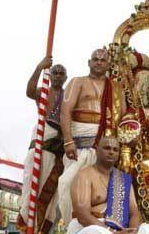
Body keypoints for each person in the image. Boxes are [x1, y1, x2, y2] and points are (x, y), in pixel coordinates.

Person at [58, 48, 117, 227]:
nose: (99, 62)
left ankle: (99, 228)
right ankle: (72, 227)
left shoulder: (115, 88)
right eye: (95, 59)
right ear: (89, 62)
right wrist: (68, 141)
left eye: (103, 60)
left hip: (104, 148)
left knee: (100, 192)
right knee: (68, 184)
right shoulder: (78, 82)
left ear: (108, 64)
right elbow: (65, 111)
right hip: (79, 147)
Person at [68, 137, 149, 234]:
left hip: (121, 228)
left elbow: (134, 213)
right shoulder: (84, 175)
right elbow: (82, 216)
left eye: (115, 149)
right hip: (91, 226)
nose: (111, 152)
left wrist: (132, 231)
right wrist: (112, 231)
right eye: (107, 148)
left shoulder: (122, 179)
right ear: (97, 150)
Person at [18, 57, 67, 234]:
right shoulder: (43, 92)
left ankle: (40, 229)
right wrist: (39, 67)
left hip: (58, 149)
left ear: (65, 78)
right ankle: (28, 226)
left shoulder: (68, 96)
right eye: (55, 72)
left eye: (62, 73)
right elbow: (29, 91)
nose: (58, 76)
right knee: (32, 184)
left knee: (52, 194)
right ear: (50, 74)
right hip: (40, 142)